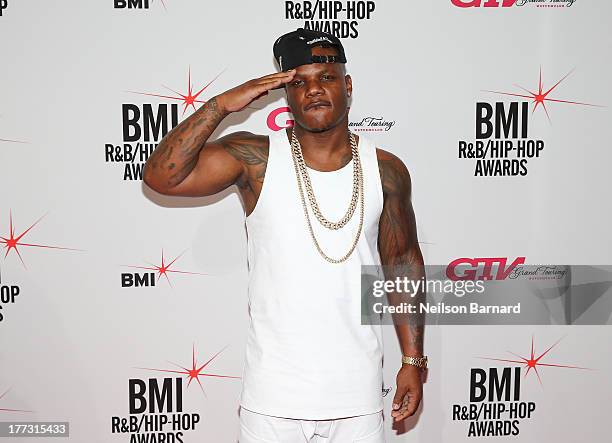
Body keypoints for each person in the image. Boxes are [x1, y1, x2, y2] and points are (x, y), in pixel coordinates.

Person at [143, 27, 427, 443]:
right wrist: (220, 106)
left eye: (326, 77)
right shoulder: (254, 158)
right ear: (285, 94)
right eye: (298, 81)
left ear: (347, 86)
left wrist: (413, 360)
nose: (314, 90)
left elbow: (402, 263)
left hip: (357, 395)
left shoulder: (386, 170)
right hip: (273, 397)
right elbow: (161, 177)